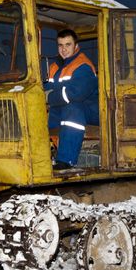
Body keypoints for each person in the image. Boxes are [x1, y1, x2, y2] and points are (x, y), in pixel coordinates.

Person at [45, 29, 99, 170]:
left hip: (91, 109)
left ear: (76, 46)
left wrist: (49, 96)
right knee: (41, 113)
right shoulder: (54, 67)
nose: (64, 49)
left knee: (72, 109)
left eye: (68, 45)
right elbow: (46, 88)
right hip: (63, 105)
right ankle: (43, 156)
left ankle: (66, 160)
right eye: (60, 45)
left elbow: (75, 93)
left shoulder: (83, 66)